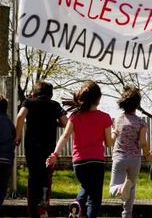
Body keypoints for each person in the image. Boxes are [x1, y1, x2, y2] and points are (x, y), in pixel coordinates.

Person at [46, 80, 114, 218]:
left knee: (86, 186)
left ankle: (78, 202)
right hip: (96, 162)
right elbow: (109, 143)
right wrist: (115, 134)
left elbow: (65, 136)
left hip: (79, 163)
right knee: (94, 198)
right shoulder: (105, 118)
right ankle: (79, 202)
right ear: (99, 99)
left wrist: (55, 154)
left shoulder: (74, 117)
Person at [15, 81, 67, 218]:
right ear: (50, 94)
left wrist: (17, 136)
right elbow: (65, 123)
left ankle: (32, 212)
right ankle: (43, 206)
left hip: (32, 148)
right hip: (49, 149)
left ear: (35, 92)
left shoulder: (29, 102)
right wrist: (54, 122)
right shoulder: (55, 105)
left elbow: (20, 116)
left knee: (33, 178)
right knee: (46, 178)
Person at [109, 86, 152, 218]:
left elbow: (113, 137)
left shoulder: (117, 119)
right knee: (131, 187)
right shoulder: (141, 123)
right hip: (135, 159)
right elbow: (143, 142)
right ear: (137, 104)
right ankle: (127, 214)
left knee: (113, 188)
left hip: (119, 158)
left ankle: (119, 188)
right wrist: (147, 154)